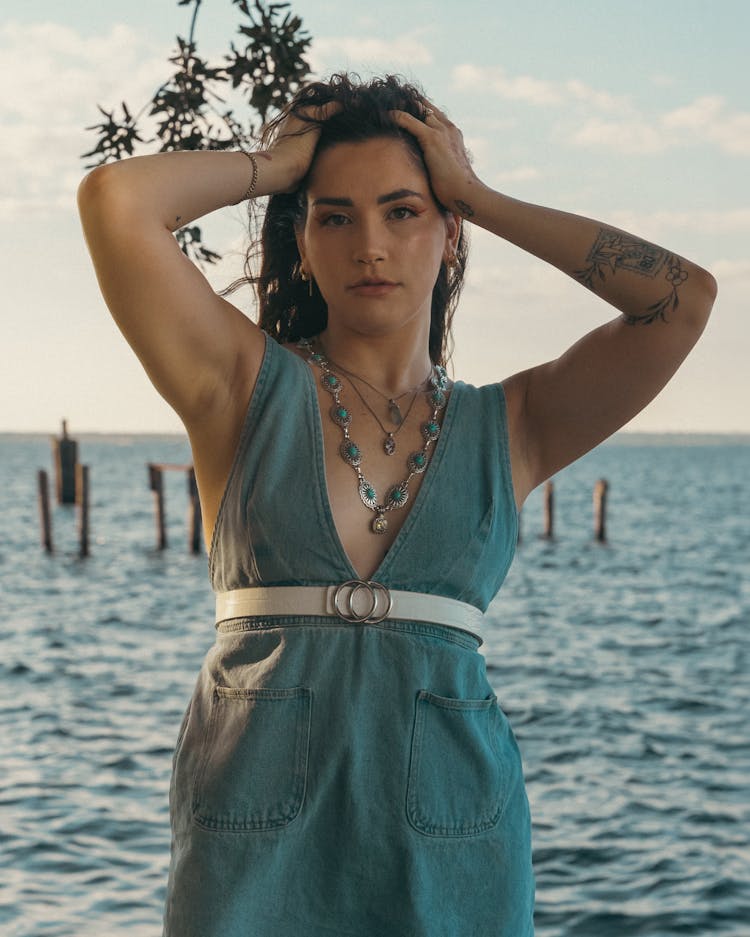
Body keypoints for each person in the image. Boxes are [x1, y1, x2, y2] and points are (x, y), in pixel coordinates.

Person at [77, 74, 716, 937]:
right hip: (250, 846)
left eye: (403, 211)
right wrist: (274, 165)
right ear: (302, 242)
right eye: (334, 215)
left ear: (449, 236)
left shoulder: (513, 425)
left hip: (456, 845)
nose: (369, 244)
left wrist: (479, 195)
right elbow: (116, 199)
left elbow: (680, 301)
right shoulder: (240, 387)